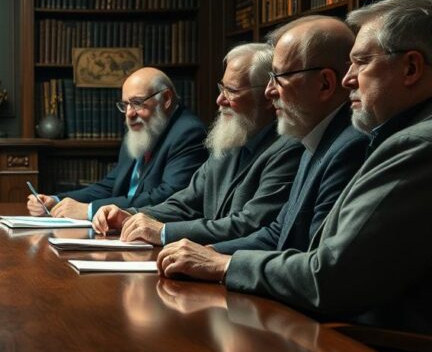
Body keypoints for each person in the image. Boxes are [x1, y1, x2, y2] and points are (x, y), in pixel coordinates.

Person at [157, 0, 432, 336]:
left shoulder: (412, 144)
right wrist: (208, 255)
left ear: (411, 68)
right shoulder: (327, 137)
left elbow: (327, 277)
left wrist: (225, 264)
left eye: (361, 63)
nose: (350, 79)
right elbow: (282, 231)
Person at [92, 43, 302, 246]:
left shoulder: (287, 148)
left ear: (267, 95)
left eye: (232, 91)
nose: (220, 99)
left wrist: (163, 232)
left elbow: (249, 225)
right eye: (221, 88)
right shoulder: (231, 139)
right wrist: (131, 215)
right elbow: (186, 202)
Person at [207, 16, 367, 254]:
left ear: (325, 84)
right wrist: (210, 251)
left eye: (278, 77)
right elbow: (277, 233)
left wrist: (222, 264)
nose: (269, 91)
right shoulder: (314, 137)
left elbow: (315, 262)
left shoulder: (350, 147)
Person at [27, 67, 207, 219]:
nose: (129, 113)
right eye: (125, 105)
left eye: (137, 103)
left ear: (166, 99)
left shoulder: (188, 132)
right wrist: (57, 201)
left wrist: (89, 210)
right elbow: (111, 185)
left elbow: (168, 197)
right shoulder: (143, 129)